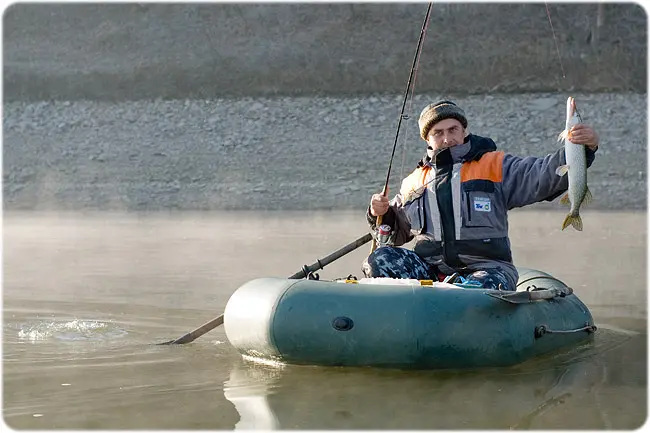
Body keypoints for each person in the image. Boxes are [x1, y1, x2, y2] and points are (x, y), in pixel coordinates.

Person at [363, 100, 600, 291]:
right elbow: (396, 235)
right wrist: (379, 214)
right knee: (380, 260)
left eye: (453, 129)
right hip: (430, 270)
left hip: (488, 269)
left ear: (464, 130)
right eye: (438, 132)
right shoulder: (413, 181)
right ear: (427, 138)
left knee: (472, 289)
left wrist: (584, 148)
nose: (447, 138)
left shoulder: (495, 164)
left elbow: (541, 175)